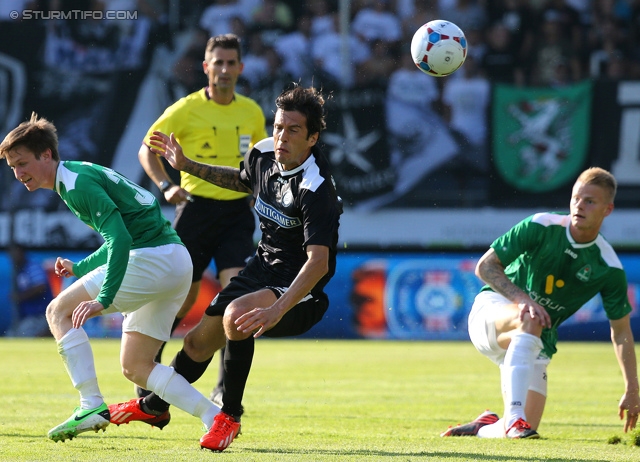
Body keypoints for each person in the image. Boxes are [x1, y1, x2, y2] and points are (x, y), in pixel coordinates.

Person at [108, 84, 342, 452]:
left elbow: (319, 262)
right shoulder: (264, 153)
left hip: (302, 289)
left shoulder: (317, 188)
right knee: (196, 343)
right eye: (278, 126)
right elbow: (240, 178)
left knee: (237, 316)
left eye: (293, 130)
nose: (281, 136)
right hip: (262, 268)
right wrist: (187, 166)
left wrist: (277, 309)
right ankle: (155, 408)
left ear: (312, 137)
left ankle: (228, 417)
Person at [0, 113, 223, 445]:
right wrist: (79, 268)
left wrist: (103, 298)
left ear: (46, 154)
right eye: (12, 167)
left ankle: (90, 404)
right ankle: (216, 418)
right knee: (135, 365)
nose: (18, 174)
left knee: (57, 312)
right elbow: (121, 236)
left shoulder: (75, 185)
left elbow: (121, 240)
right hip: (173, 259)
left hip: (153, 257)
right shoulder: (75, 176)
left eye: (22, 163)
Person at [441, 167, 640, 439]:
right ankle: (514, 418)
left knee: (529, 429)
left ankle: (485, 427)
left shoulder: (608, 266)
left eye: (590, 201)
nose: (579, 206)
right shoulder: (541, 225)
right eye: (576, 198)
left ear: (608, 209)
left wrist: (632, 388)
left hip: (537, 340)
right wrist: (523, 300)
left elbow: (621, 332)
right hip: (494, 314)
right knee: (530, 318)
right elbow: (485, 267)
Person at [136, 33, 267, 404]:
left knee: (236, 302)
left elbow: (259, 165)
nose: (224, 70)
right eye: (218, 63)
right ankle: (149, 368)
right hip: (195, 211)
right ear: (207, 67)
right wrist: (165, 185)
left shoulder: (252, 112)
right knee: (181, 300)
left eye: (231, 63)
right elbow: (148, 149)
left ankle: (226, 389)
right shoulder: (186, 108)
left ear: (240, 68)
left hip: (237, 216)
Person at [5, 243, 53, 337]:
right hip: (27, 316)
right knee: (12, 335)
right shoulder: (18, 270)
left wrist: (20, 296)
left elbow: (41, 286)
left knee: (22, 336)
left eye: (15, 252)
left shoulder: (32, 267)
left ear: (21, 253)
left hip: (39, 314)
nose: (12, 256)